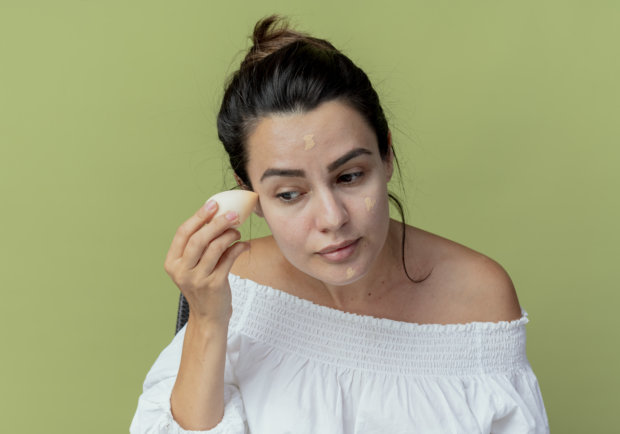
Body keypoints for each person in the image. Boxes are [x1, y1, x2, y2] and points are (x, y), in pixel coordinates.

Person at [130, 15, 549, 433]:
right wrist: (207, 318)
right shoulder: (233, 287)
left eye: (349, 177)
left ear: (385, 156)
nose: (332, 219)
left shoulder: (478, 301)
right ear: (250, 194)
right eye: (290, 194)